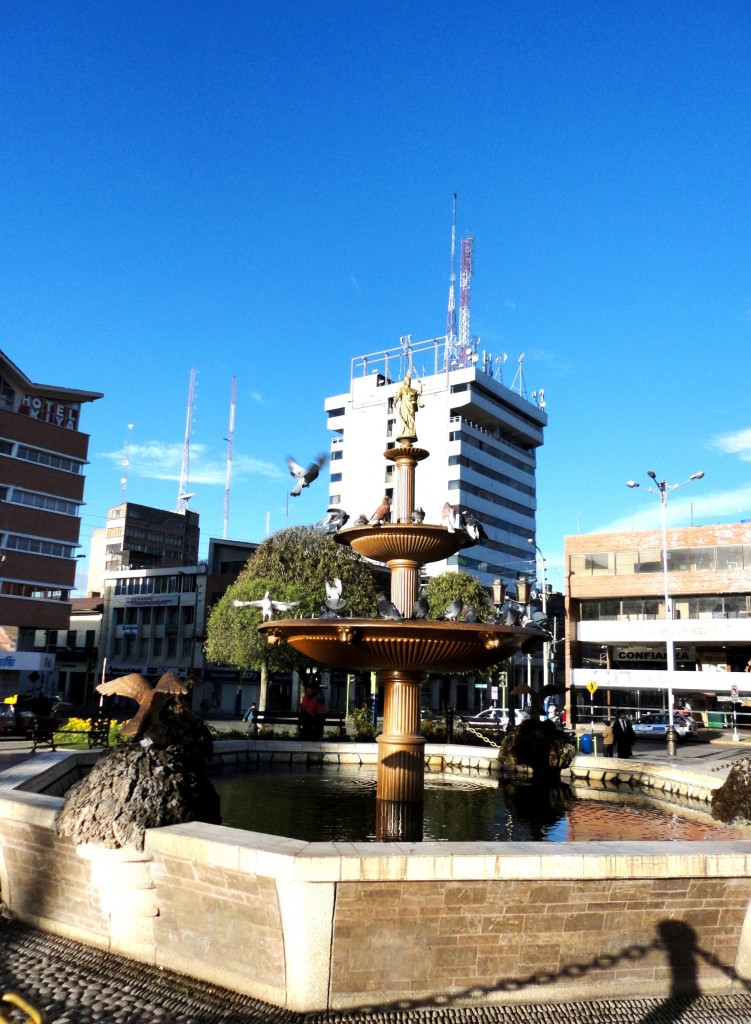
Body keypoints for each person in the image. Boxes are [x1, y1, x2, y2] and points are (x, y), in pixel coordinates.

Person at [393, 374, 423, 443]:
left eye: (409, 380)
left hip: (411, 406)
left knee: (411, 419)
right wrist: (394, 404)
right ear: (405, 381)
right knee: (404, 418)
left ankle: (411, 431)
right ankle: (404, 431)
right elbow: (396, 398)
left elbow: (419, 393)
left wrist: (420, 384)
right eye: (407, 380)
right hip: (404, 405)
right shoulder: (401, 389)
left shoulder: (413, 390)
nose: (408, 381)